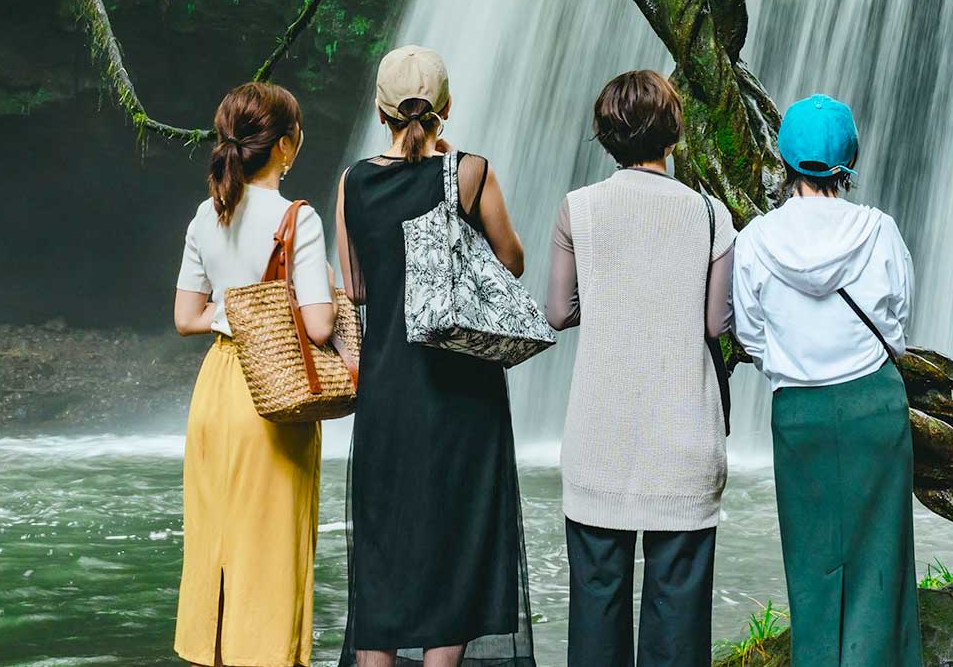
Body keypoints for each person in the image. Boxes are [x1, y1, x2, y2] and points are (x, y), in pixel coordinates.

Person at [337, 44, 536, 667]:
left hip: (388, 388)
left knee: (384, 543)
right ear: (446, 108)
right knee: (454, 537)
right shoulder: (470, 173)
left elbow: (358, 289)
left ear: (380, 110)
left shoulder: (354, 182)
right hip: (460, 390)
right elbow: (511, 262)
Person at [544, 71, 735, 667]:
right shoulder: (710, 215)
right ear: (672, 136)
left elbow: (557, 311)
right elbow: (715, 323)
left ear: (606, 137)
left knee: (597, 607)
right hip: (683, 440)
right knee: (677, 616)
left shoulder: (580, 208)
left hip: (600, 439)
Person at [730, 93, 922, 667]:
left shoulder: (756, 241)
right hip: (875, 407)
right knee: (880, 565)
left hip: (800, 415)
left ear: (783, 160)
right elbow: (898, 317)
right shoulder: (879, 231)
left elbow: (751, 334)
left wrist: (797, 360)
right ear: (848, 162)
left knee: (812, 566)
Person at [172, 81, 336, 667]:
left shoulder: (205, 214)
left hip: (215, 391)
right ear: (286, 147)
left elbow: (186, 317)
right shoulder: (298, 218)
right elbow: (317, 326)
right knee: (269, 551)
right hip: (273, 393)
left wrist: (235, 313)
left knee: (214, 544)